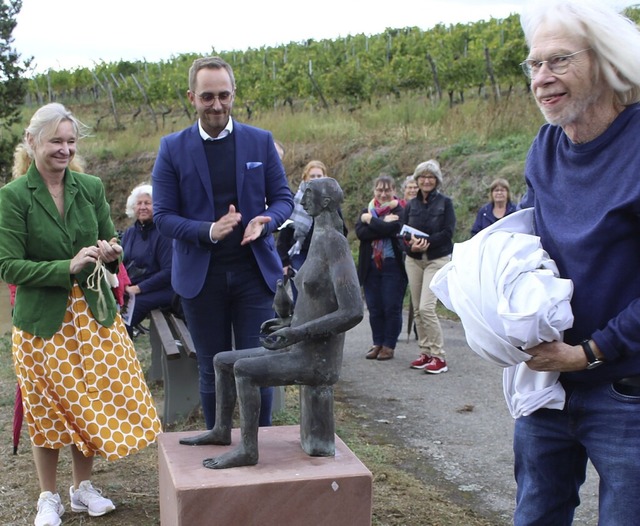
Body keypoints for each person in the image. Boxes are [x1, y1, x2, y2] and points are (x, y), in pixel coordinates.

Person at [0, 103, 161, 526]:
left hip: (91, 316)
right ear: (32, 142)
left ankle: (82, 488)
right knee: (47, 409)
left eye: (71, 142)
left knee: (88, 402)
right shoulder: (13, 197)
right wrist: (65, 267)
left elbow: (110, 242)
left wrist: (111, 252)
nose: (65, 149)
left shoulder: (89, 187)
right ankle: (48, 496)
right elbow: (8, 265)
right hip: (42, 322)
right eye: (56, 140)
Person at [513, 1, 640, 524]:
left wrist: (588, 351)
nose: (542, 78)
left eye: (558, 61)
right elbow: (522, 252)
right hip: (548, 391)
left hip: (627, 393)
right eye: (534, 64)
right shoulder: (544, 147)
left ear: (606, 63)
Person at [179, 177, 363, 468]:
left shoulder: (335, 242)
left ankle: (249, 450)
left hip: (317, 359)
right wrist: (285, 320)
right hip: (299, 345)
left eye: (308, 195)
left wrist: (298, 332)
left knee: (244, 369)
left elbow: (353, 311)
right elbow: (317, 299)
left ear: (326, 202)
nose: (301, 202)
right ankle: (221, 430)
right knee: (221, 360)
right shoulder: (316, 237)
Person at [151, 56, 293, 432]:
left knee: (255, 362)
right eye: (207, 97)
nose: (216, 105)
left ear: (234, 95)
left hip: (253, 273)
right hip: (202, 276)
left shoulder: (260, 142)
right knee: (212, 364)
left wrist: (268, 221)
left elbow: (284, 198)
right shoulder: (171, 148)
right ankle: (218, 439)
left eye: (224, 95)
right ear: (191, 97)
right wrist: (208, 231)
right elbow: (163, 215)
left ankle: (258, 442)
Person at [402, 159, 456, 374]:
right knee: (416, 309)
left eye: (430, 177)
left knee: (426, 307)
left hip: (437, 259)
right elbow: (403, 232)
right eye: (422, 177)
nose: (426, 180)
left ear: (437, 180)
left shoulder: (445, 203)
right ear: (417, 180)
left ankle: (439, 356)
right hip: (414, 260)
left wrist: (428, 242)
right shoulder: (411, 205)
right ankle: (424, 351)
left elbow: (448, 233)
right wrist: (410, 245)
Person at [355, 175, 407, 361]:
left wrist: (371, 221)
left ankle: (388, 345)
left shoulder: (400, 210)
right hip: (370, 266)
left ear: (394, 191)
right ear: (374, 191)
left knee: (391, 306)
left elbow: (393, 229)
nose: (383, 194)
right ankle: (377, 343)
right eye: (380, 190)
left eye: (387, 190)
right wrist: (382, 223)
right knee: (375, 307)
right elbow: (361, 233)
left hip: (392, 265)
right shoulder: (366, 210)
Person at [120, 182, 174, 336]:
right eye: (139, 203)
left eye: (148, 203)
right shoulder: (130, 232)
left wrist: (138, 288)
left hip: (162, 290)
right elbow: (122, 264)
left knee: (127, 315)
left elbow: (169, 271)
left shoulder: (164, 233)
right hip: (132, 289)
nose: (142, 207)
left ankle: (125, 352)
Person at [276, 160, 328, 279]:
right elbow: (285, 233)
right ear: (305, 178)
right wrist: (284, 261)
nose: (316, 179)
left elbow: (341, 231)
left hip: (323, 257)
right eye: (312, 176)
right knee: (300, 294)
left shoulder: (331, 202)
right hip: (299, 255)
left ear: (325, 177)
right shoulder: (295, 201)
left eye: (319, 176)